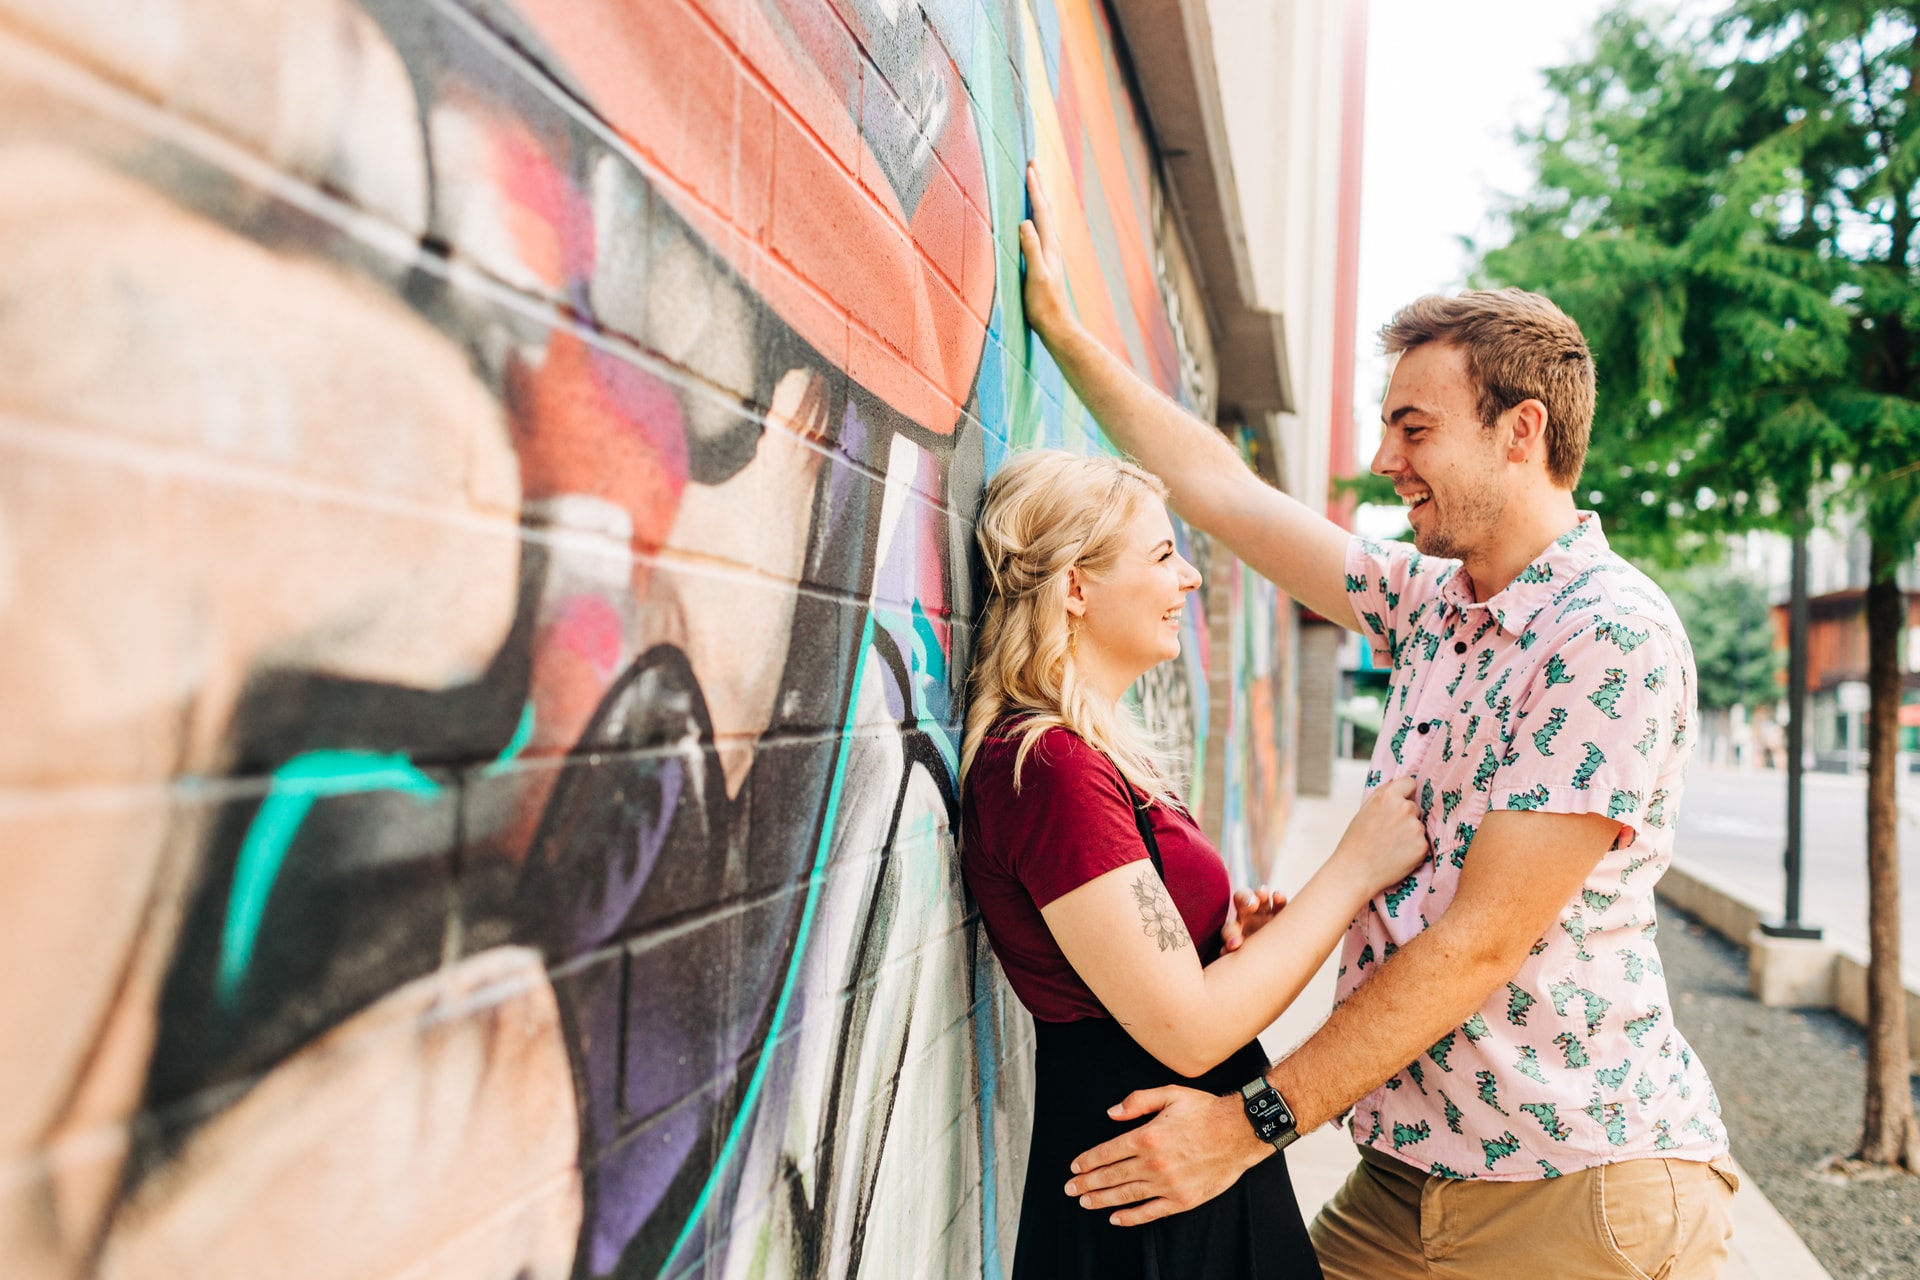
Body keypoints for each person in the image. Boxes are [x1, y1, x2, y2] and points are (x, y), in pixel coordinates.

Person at [1017, 164, 1740, 1278]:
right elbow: (1220, 489)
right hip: (1409, 1178)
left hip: (1574, 1186)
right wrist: (1067, 333)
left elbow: (1483, 941)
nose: (1387, 461)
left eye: (1414, 429)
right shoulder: (1429, 604)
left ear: (1521, 431)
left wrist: (1246, 1123)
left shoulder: (1607, 637)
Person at [960, 449, 1430, 1279]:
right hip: (1148, 1182)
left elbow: (1165, 991)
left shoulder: (1093, 757)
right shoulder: (1051, 769)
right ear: (1075, 586)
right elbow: (1189, 1030)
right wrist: (1353, 868)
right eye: (1161, 555)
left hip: (1172, 1158)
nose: (1189, 580)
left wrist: (1216, 947)